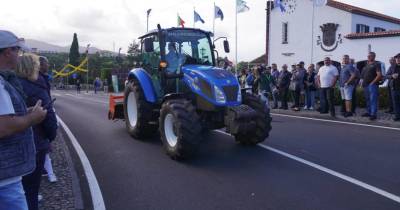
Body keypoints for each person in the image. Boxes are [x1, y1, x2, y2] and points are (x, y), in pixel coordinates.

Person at [0, 30, 47, 210]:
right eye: (17, 51)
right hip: (6, 178)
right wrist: (33, 117)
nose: (19, 56)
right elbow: (3, 127)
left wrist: (24, 112)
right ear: (7, 52)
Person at [17, 53, 58, 210]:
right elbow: (49, 118)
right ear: (31, 68)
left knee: (19, 188)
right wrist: (50, 137)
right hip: (35, 142)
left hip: (14, 145)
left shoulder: (10, 84)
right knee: (31, 192)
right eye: (36, 66)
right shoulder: (36, 86)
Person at [39, 56, 57, 183]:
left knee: (44, 147)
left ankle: (47, 172)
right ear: (41, 65)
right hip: (42, 113)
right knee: (44, 145)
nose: (48, 65)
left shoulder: (44, 78)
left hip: (45, 111)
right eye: (47, 63)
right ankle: (48, 173)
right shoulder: (39, 80)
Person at [360, 52, 383, 120]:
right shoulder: (366, 65)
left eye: (370, 56)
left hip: (373, 85)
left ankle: (373, 114)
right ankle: (368, 112)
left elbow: (379, 75)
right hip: (365, 85)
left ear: (374, 56)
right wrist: (361, 83)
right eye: (368, 56)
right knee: (368, 99)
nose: (369, 57)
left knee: (373, 100)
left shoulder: (377, 64)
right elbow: (362, 76)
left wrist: (372, 83)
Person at [388, 54, 400, 121]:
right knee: (396, 104)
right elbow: (386, 75)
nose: (398, 59)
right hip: (394, 88)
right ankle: (397, 116)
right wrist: (392, 76)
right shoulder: (392, 67)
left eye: (399, 58)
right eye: (397, 58)